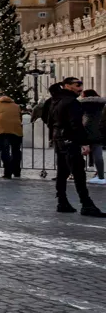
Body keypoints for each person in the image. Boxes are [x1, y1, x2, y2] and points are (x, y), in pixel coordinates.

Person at [47, 78, 104, 217]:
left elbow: (48, 120)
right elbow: (76, 124)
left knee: (62, 171)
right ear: (67, 86)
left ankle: (62, 202)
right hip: (70, 139)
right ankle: (86, 204)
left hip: (59, 138)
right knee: (78, 172)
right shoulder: (71, 102)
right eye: (77, 85)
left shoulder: (54, 100)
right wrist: (84, 143)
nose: (80, 88)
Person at [0, 92, 23, 179]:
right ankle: (17, 171)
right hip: (16, 130)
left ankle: (7, 172)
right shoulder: (16, 106)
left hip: (1, 130)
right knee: (16, 151)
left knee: (4, 151)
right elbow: (20, 117)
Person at [80, 89, 106, 185]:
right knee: (98, 155)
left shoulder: (82, 104)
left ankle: (76, 174)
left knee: (78, 152)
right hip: (98, 130)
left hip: (86, 129)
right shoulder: (101, 103)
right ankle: (101, 176)